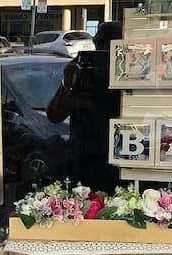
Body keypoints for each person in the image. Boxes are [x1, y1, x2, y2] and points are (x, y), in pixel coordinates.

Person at [46, 21, 123, 191]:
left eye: (109, 46)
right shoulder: (83, 71)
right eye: (100, 44)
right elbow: (54, 115)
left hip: (115, 155)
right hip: (83, 156)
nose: (103, 50)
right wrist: (68, 81)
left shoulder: (128, 76)